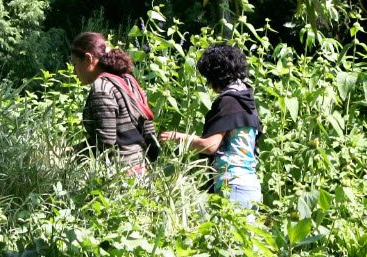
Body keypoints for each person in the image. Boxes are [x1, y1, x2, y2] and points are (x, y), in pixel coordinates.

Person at [159, 44, 262, 209]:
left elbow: (210, 146)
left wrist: (178, 137)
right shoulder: (247, 100)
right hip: (252, 186)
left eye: (208, 78)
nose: (208, 84)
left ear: (217, 76)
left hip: (232, 185)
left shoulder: (228, 101)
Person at [70, 32, 158, 176]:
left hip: (119, 176)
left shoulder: (102, 88)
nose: (74, 71)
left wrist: (71, 153)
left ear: (88, 59)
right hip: (142, 171)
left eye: (74, 64)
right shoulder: (129, 81)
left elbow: (105, 144)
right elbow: (150, 133)